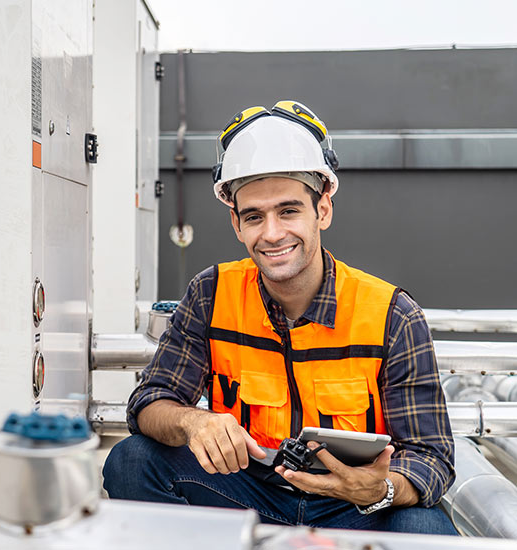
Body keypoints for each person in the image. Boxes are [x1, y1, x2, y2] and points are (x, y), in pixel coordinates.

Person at [102, 101, 457, 535]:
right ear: (236, 223)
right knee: (133, 460)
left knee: (425, 526)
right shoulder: (212, 294)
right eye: (254, 216)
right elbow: (149, 402)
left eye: (288, 211)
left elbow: (432, 457)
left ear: (322, 210)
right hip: (248, 494)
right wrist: (194, 421)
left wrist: (378, 489)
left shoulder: (391, 315)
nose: (271, 233)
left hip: (355, 507)